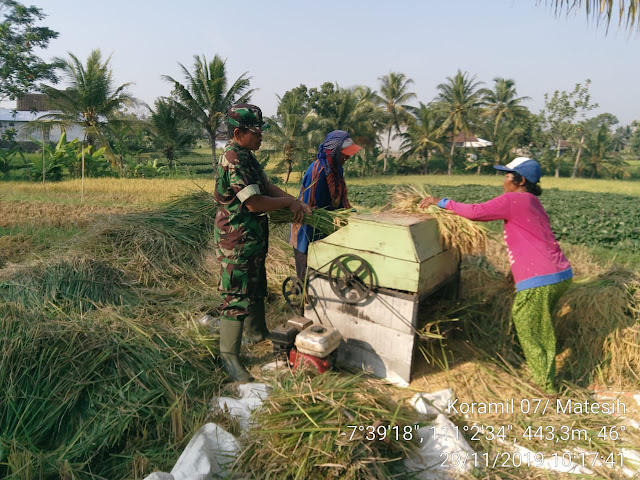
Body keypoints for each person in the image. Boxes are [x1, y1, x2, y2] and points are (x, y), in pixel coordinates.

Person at [419, 157, 572, 393]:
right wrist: (514, 272)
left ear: (520, 180)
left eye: (508, 176)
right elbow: (532, 239)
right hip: (560, 274)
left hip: (541, 278)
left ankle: (546, 387)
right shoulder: (533, 202)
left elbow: (475, 211)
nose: (504, 181)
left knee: (529, 325)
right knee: (540, 325)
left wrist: (440, 201)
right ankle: (541, 367)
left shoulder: (514, 199)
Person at [214, 103, 311, 382]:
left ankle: (257, 333)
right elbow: (255, 202)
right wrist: (289, 202)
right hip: (237, 240)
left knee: (256, 285)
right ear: (238, 132)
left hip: (253, 238)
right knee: (235, 294)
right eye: (256, 132)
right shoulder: (233, 158)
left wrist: (295, 202)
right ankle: (229, 357)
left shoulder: (247, 156)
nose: (261, 136)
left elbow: (265, 187)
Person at [289, 130, 361, 281]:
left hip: (326, 228)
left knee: (325, 273)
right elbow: (308, 208)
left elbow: (340, 199)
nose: (347, 157)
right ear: (333, 151)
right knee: (306, 276)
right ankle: (301, 300)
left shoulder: (336, 168)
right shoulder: (318, 172)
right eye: (344, 153)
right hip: (308, 227)